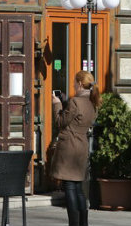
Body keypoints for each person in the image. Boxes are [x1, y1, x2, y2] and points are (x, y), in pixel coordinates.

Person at [51, 71, 100, 226]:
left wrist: (56, 103)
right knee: (78, 187)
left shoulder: (76, 102)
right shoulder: (93, 102)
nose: (72, 84)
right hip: (81, 146)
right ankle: (82, 223)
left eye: (74, 82)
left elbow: (60, 122)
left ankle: (74, 223)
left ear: (79, 83)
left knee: (70, 187)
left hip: (69, 148)